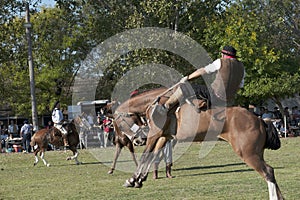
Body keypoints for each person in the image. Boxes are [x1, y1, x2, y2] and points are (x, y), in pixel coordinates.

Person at [159, 45, 245, 113]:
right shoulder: (242, 67)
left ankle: (165, 107)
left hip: (214, 95)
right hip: (228, 101)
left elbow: (203, 71)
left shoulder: (220, 62)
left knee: (184, 88)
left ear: (223, 54)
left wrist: (188, 77)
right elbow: (240, 86)